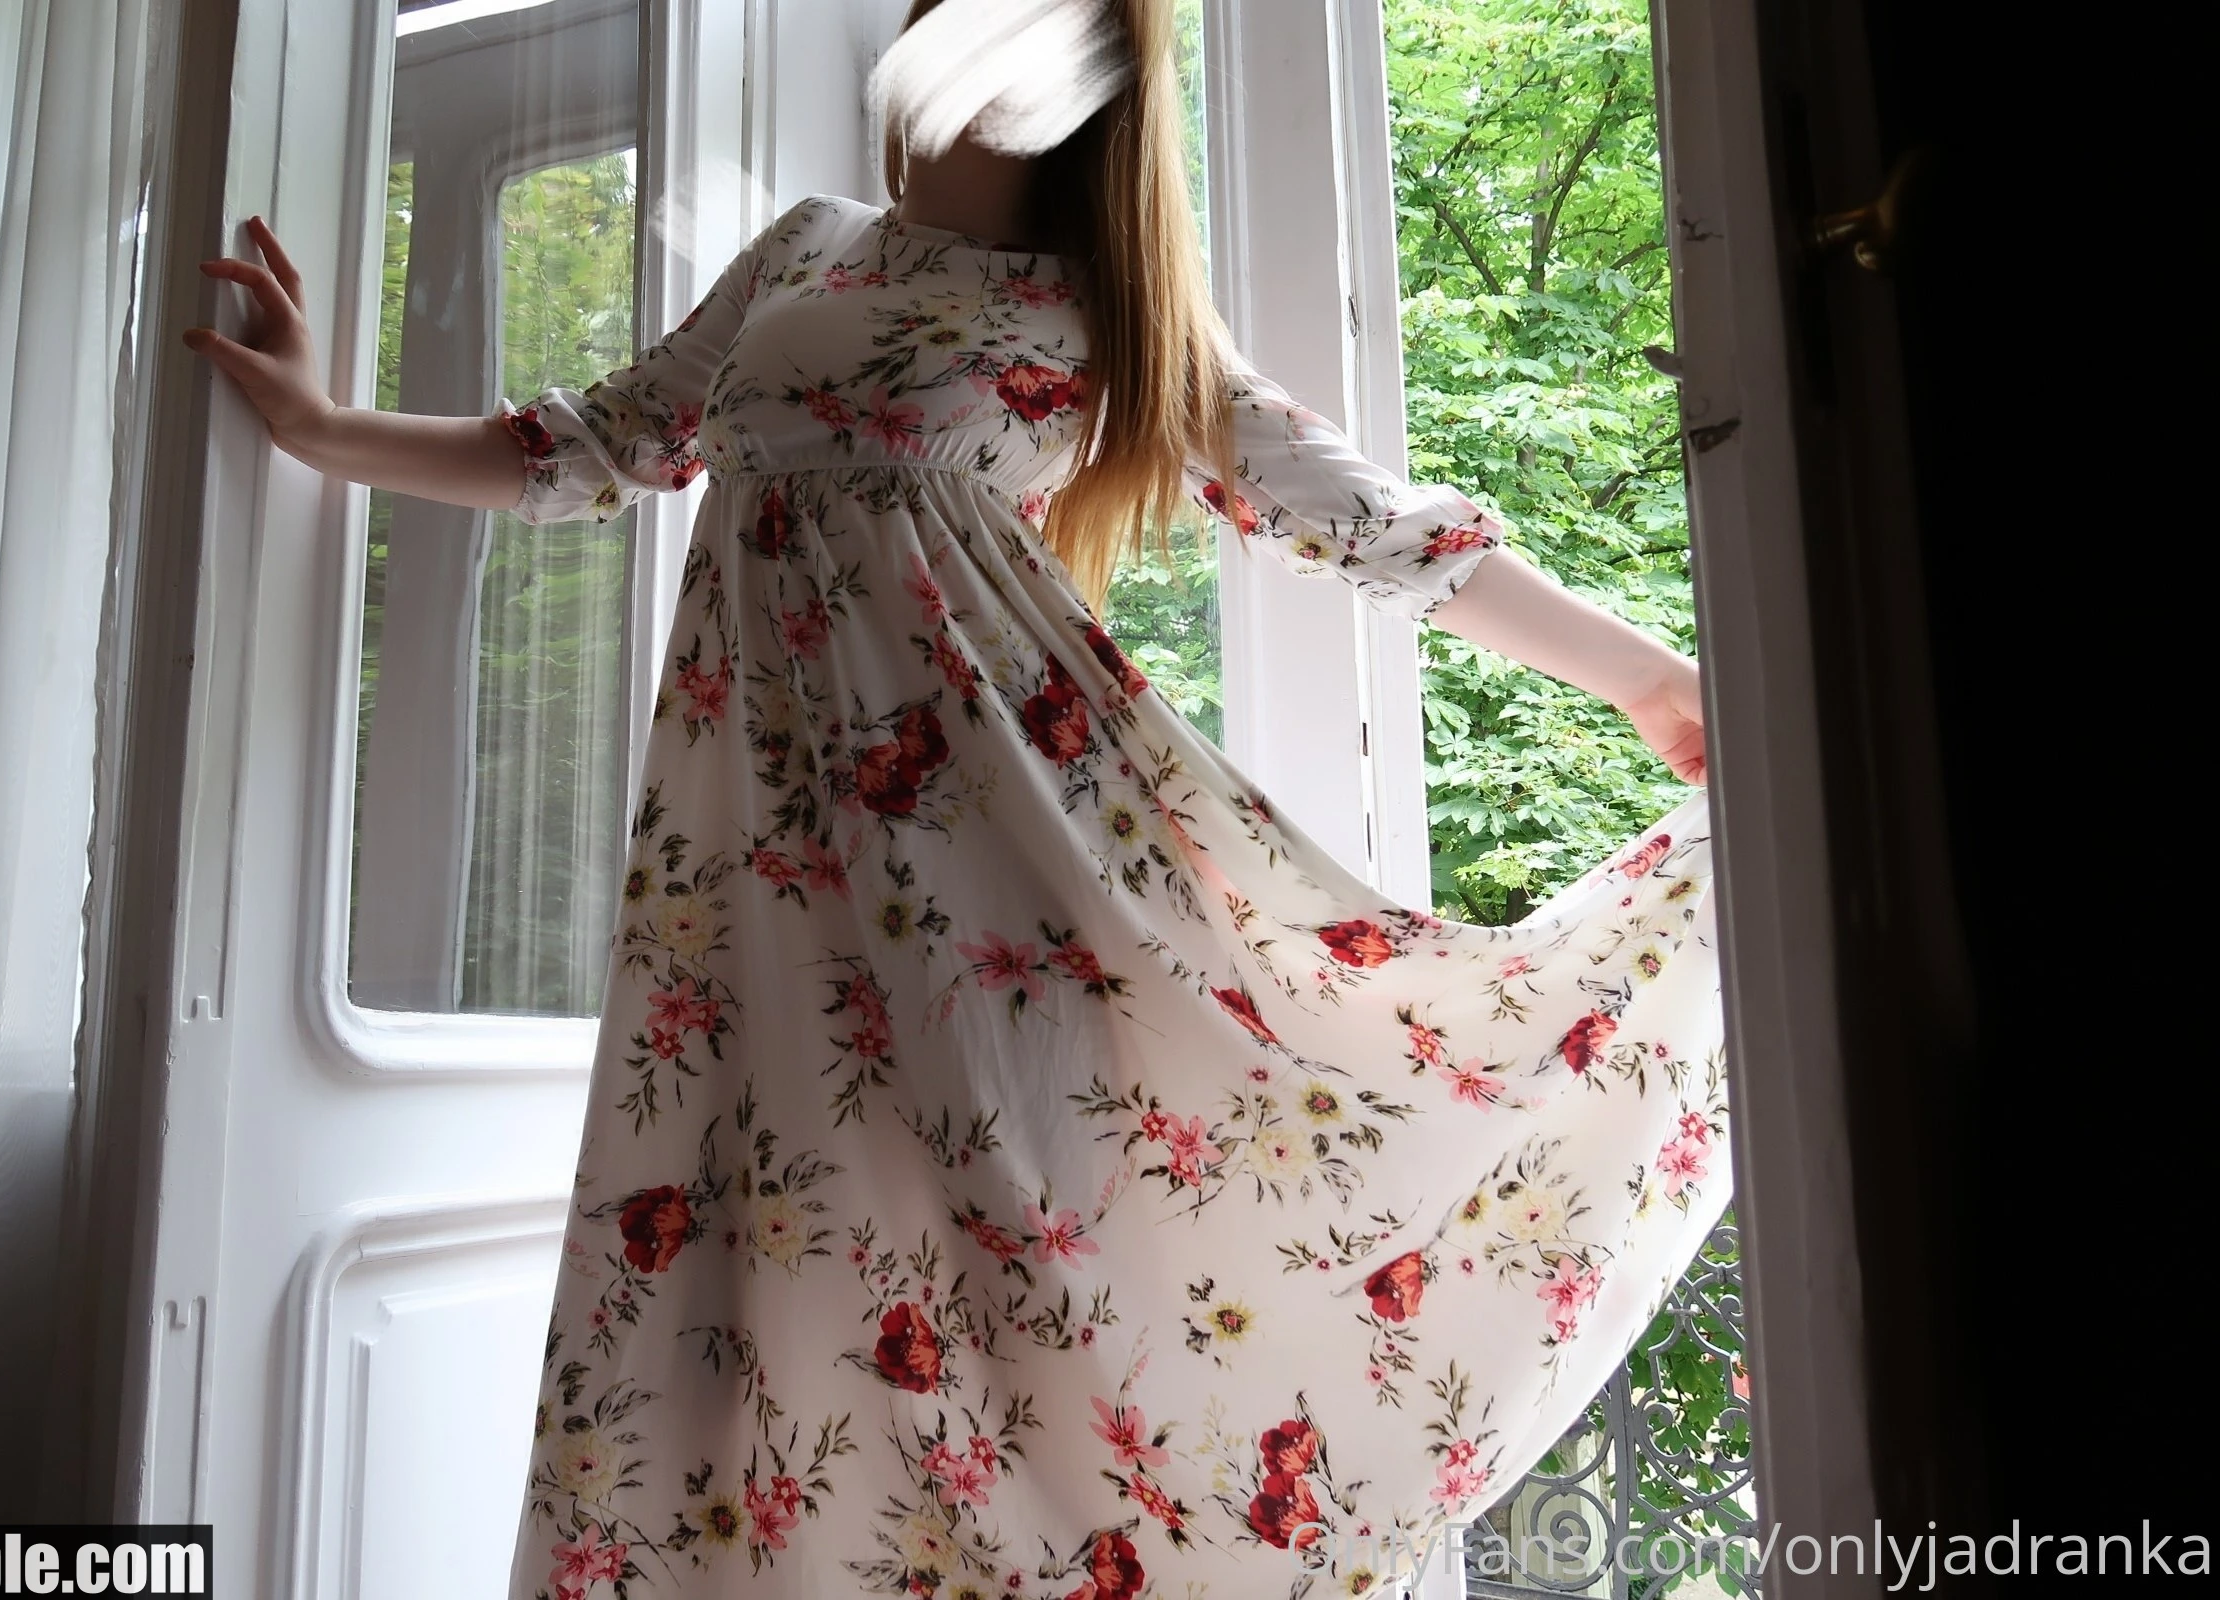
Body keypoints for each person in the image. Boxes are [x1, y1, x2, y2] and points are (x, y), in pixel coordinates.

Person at [187, 3, 1727, 1593]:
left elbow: (1376, 527)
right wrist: (320, 427)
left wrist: (1654, 681)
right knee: (754, 1316)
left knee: (1008, 1355)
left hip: (1002, 888)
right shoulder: (804, 249)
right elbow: (589, 443)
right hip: (757, 882)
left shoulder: (1119, 315)